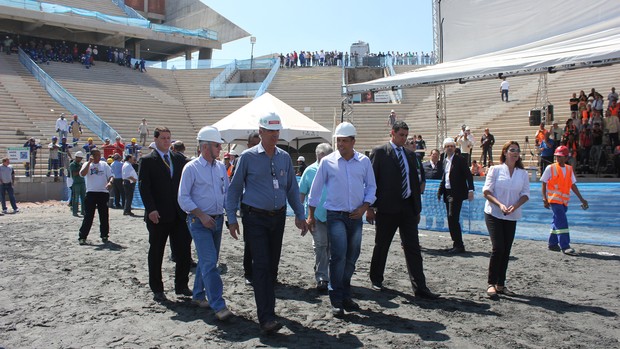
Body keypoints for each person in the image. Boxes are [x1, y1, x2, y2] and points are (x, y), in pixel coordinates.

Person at [226, 114, 307, 334]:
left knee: (272, 266)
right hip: (255, 218)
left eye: (277, 131)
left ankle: (267, 308)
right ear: (260, 132)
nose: (274, 135)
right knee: (261, 265)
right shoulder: (248, 157)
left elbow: (291, 188)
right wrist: (231, 218)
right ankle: (267, 317)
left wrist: (300, 215)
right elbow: (234, 189)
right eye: (270, 131)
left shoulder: (283, 158)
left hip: (278, 218)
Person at [307, 122, 376, 317]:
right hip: (335, 215)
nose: (341, 144)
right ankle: (336, 297)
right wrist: (311, 215)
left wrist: (364, 207)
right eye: (339, 141)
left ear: (353, 141)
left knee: (352, 256)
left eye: (345, 141)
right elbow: (315, 189)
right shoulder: (327, 162)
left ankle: (344, 291)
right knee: (338, 256)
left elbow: (371, 187)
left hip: (355, 216)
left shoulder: (364, 162)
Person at [366, 121, 439, 299]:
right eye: (401, 135)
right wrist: (369, 207)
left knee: (413, 248)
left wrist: (416, 208)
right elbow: (371, 182)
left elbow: (414, 182)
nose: (404, 138)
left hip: (407, 208)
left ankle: (420, 287)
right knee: (382, 245)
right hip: (386, 209)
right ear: (392, 133)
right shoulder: (380, 152)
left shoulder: (410, 154)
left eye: (406, 136)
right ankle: (376, 279)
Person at [178, 126, 233, 321]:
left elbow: (226, 194)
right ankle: (218, 304)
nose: (220, 149)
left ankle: (198, 295)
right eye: (217, 145)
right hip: (199, 221)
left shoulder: (219, 168)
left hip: (216, 220)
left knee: (206, 260)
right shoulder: (191, 168)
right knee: (210, 263)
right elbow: (183, 198)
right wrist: (201, 215)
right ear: (205, 147)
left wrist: (230, 216)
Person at [138, 127, 192, 302]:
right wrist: (151, 209)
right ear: (155, 139)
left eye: (169, 138)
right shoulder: (147, 161)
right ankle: (157, 288)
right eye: (163, 138)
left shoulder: (179, 159)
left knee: (184, 251)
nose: (167, 141)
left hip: (179, 214)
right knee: (157, 252)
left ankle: (182, 285)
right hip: (158, 215)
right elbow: (144, 187)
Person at [482, 141, 530, 298]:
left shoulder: (522, 173)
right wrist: (501, 205)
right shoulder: (495, 170)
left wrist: (514, 206)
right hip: (494, 213)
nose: (515, 153)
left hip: (512, 215)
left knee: (506, 249)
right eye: (512, 150)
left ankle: (501, 284)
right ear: (505, 153)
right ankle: (491, 283)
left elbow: (525, 194)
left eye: (517, 150)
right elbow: (487, 191)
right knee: (498, 247)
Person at [541, 145, 588, 256]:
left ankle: (552, 243)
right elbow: (544, 183)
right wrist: (544, 198)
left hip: (564, 201)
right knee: (562, 221)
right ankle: (565, 245)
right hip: (554, 200)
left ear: (566, 157)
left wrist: (582, 199)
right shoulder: (550, 168)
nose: (558, 158)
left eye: (561, 156)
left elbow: (572, 185)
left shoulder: (569, 169)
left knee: (557, 220)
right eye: (557, 156)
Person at [299, 143, 334, 292]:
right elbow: (302, 193)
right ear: (317, 156)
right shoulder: (309, 171)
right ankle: (322, 277)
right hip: (316, 215)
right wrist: (301, 214)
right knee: (321, 244)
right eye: (322, 158)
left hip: (333, 214)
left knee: (330, 247)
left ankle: (323, 269)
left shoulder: (336, 170)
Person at [437, 137, 475, 253]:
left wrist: (471, 190)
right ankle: (456, 243)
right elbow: (444, 177)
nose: (450, 148)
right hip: (447, 193)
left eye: (452, 146)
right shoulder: (444, 161)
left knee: (453, 218)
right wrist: (440, 190)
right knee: (450, 219)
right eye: (447, 146)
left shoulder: (460, 160)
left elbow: (468, 175)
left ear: (455, 148)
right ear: (444, 148)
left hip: (457, 193)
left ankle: (459, 245)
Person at [77, 149, 113, 245]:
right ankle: (82, 236)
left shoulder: (104, 165)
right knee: (88, 216)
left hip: (103, 193)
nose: (98, 157)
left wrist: (110, 182)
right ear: (92, 156)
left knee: (104, 215)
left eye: (99, 155)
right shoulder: (86, 164)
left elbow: (111, 176)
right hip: (91, 193)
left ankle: (104, 235)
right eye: (96, 155)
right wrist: (89, 163)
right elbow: (82, 174)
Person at [241, 131, 261, 286]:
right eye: (253, 144)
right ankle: (248, 272)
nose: (255, 147)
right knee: (249, 242)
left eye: (257, 143)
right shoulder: (245, 158)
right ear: (248, 145)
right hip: (249, 208)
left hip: (264, 209)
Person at [69, 151, 86, 217]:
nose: (80, 159)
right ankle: (75, 211)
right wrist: (81, 169)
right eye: (79, 158)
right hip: (76, 183)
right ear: (76, 157)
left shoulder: (81, 164)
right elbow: (74, 174)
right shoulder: (73, 165)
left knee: (83, 198)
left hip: (82, 182)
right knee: (75, 198)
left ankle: (83, 211)